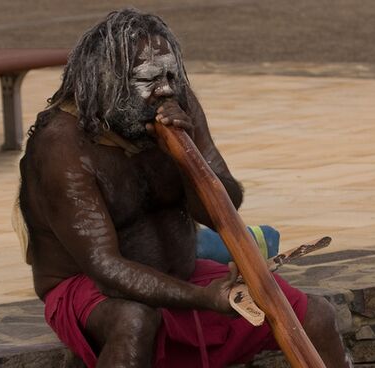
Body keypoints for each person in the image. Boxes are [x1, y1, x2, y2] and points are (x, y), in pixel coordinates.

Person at [17, 8, 351, 368]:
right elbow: (106, 270)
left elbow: (224, 206)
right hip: (87, 289)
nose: (164, 89)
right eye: (148, 80)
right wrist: (205, 298)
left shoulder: (177, 102)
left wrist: (186, 156)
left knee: (315, 316)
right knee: (135, 320)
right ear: (108, 81)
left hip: (185, 275)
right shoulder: (61, 146)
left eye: (170, 75)